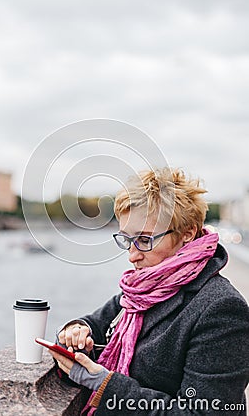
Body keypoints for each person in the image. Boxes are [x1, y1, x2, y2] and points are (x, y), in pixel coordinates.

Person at [49, 168, 249, 415]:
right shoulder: (141, 291)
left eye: (144, 240)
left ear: (186, 233)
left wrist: (106, 385)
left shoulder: (222, 308)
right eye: (126, 240)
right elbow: (97, 323)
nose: (132, 255)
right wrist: (77, 331)